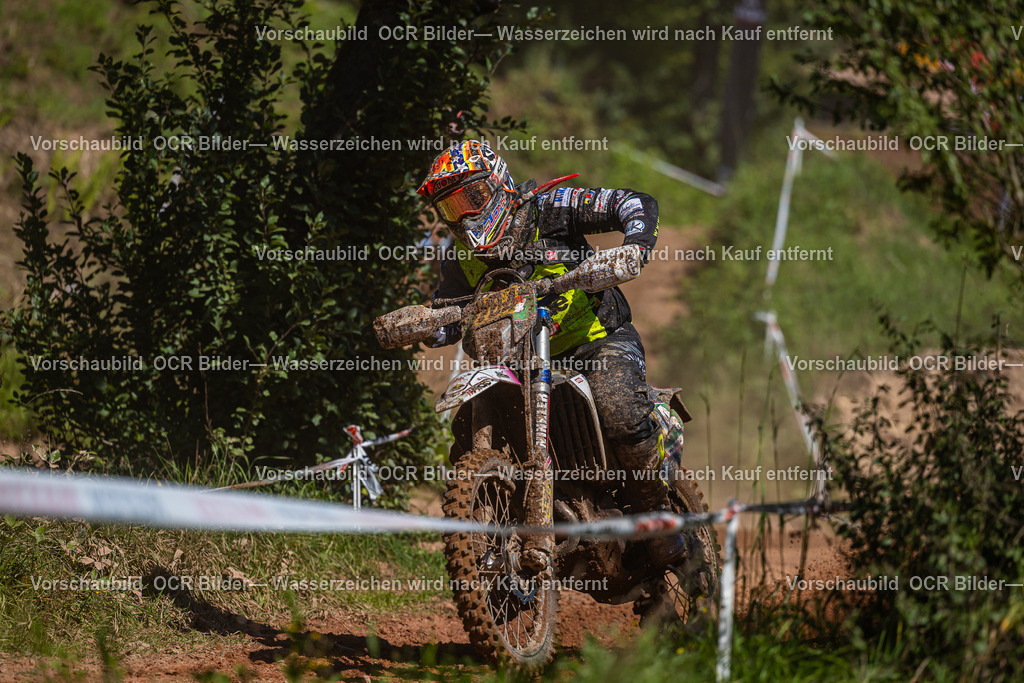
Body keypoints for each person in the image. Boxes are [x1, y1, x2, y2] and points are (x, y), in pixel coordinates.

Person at [418, 139, 684, 567]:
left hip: (596, 339)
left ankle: (656, 515)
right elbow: (447, 310)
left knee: (619, 408)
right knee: (467, 423)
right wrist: (428, 324)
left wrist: (634, 246)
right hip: (518, 363)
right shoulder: (461, 259)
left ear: (498, 184)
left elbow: (633, 202)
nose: (465, 215)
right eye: (452, 207)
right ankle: (493, 544)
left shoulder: (551, 208)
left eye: (472, 198)